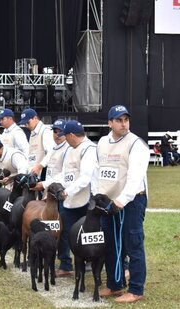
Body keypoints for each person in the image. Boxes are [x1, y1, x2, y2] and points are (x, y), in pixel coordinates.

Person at [95, 105, 149, 303]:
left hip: (132, 201)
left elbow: (135, 178)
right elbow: (99, 170)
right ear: (110, 123)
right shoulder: (102, 142)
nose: (123, 123)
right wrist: (98, 195)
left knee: (132, 244)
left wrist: (121, 200)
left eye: (126, 119)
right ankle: (114, 284)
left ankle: (136, 289)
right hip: (109, 202)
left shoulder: (136, 144)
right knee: (111, 244)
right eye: (118, 120)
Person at [35, 120, 97, 277]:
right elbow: (64, 174)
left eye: (64, 135)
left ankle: (90, 261)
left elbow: (86, 178)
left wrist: (67, 192)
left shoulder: (89, 149)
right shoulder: (70, 149)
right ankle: (65, 264)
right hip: (69, 200)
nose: (62, 138)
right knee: (63, 231)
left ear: (71, 135)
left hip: (86, 198)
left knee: (88, 232)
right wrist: (45, 184)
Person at [18, 108, 55, 179]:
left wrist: (40, 166)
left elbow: (51, 153)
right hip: (33, 174)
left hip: (43, 172)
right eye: (24, 124)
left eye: (28, 122)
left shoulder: (45, 131)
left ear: (35, 118)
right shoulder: (33, 132)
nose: (26, 126)